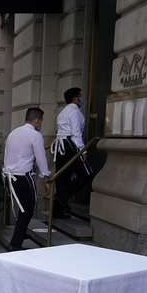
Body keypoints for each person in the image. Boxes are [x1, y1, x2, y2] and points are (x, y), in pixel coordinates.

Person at [3, 108, 51, 251]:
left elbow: (6, 155)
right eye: (41, 120)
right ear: (36, 120)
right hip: (23, 177)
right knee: (27, 210)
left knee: (24, 210)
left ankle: (19, 236)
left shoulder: (13, 133)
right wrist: (46, 175)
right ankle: (15, 243)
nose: (41, 123)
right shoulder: (35, 135)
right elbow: (40, 157)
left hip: (10, 176)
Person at [51, 87, 89, 218]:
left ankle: (59, 207)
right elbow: (76, 132)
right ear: (75, 98)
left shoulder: (63, 112)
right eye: (80, 96)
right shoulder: (74, 111)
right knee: (86, 174)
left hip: (61, 146)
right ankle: (60, 200)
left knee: (63, 177)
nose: (81, 99)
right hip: (69, 145)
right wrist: (82, 150)